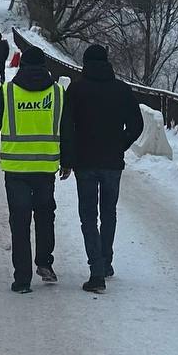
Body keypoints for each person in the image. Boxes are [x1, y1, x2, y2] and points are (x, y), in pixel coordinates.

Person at [0, 45, 74, 293]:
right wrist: (67, 161)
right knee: (45, 216)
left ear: (21, 66)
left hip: (16, 169)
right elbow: (67, 129)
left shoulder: (9, 91)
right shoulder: (57, 93)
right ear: (45, 67)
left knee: (20, 222)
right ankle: (44, 263)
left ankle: (22, 279)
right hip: (45, 168)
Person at [62, 44, 143, 293]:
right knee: (109, 213)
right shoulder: (122, 90)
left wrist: (67, 159)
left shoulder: (76, 89)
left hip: (85, 163)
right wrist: (120, 144)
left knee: (88, 216)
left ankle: (96, 272)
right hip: (112, 163)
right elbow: (137, 124)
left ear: (85, 63)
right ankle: (106, 262)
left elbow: (65, 127)